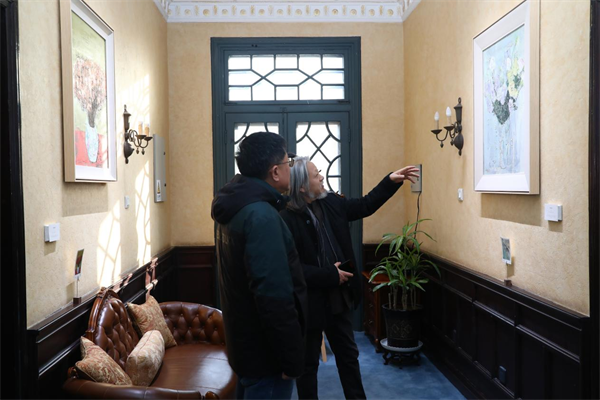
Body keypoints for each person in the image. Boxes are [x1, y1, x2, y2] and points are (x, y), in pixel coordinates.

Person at [280, 157, 419, 400]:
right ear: (302, 186)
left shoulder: (332, 202)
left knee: (348, 358)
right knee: (308, 365)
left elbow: (365, 205)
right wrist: (328, 275)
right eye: (316, 175)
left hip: (338, 297)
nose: (322, 177)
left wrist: (390, 181)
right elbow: (291, 269)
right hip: (309, 302)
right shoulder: (286, 217)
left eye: (320, 172)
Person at [211, 132, 308, 400]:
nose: (291, 168)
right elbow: (273, 295)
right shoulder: (261, 216)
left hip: (246, 345)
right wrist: (290, 358)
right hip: (266, 355)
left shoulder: (236, 205)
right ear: (275, 171)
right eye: (288, 162)